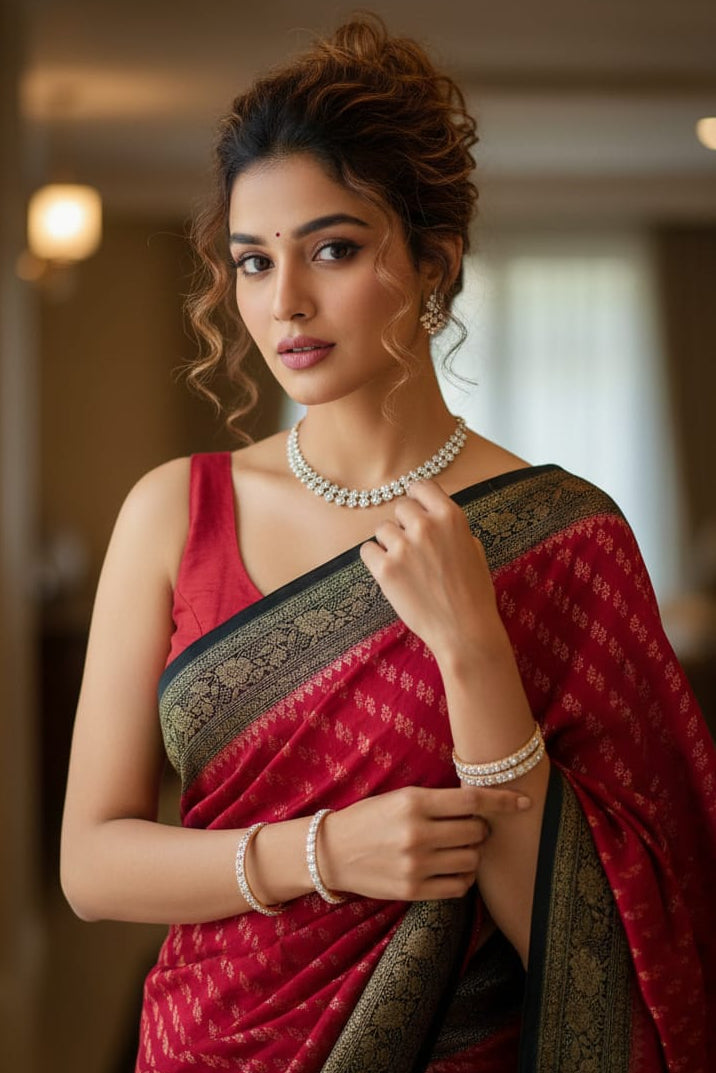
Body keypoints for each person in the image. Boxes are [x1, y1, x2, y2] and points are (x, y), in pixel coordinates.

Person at [60, 15, 716, 1072]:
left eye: (333, 248)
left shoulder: (562, 536)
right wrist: (322, 852)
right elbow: (91, 863)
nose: (285, 303)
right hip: (201, 1042)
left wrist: (472, 649)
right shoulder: (173, 509)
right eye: (252, 260)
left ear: (430, 262)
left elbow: (613, 920)